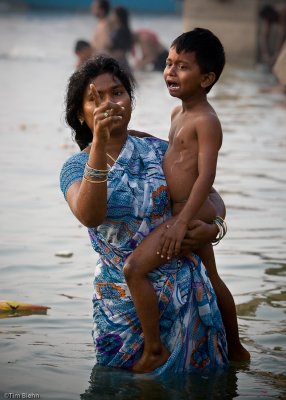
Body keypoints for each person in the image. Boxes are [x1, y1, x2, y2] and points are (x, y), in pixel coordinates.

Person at [60, 55, 228, 374]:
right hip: (121, 306)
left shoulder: (154, 148)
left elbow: (210, 195)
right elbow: (89, 215)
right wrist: (99, 145)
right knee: (117, 389)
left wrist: (213, 227)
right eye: (96, 98)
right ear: (80, 115)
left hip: (187, 295)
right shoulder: (75, 168)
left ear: (130, 100)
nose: (110, 103)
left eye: (118, 92)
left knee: (202, 388)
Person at [123, 28, 250, 373]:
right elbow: (177, 154)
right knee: (210, 275)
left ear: (207, 78)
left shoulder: (207, 121)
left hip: (190, 211)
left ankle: (154, 350)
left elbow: (206, 177)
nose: (170, 72)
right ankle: (236, 351)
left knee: (134, 268)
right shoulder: (177, 115)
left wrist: (181, 222)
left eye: (182, 67)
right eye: (169, 63)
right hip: (185, 210)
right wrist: (140, 136)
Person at [107, 6, 133, 72]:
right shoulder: (121, 30)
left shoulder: (120, 31)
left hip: (119, 61)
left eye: (112, 14)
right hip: (121, 61)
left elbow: (110, 45)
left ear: (117, 17)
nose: (110, 16)